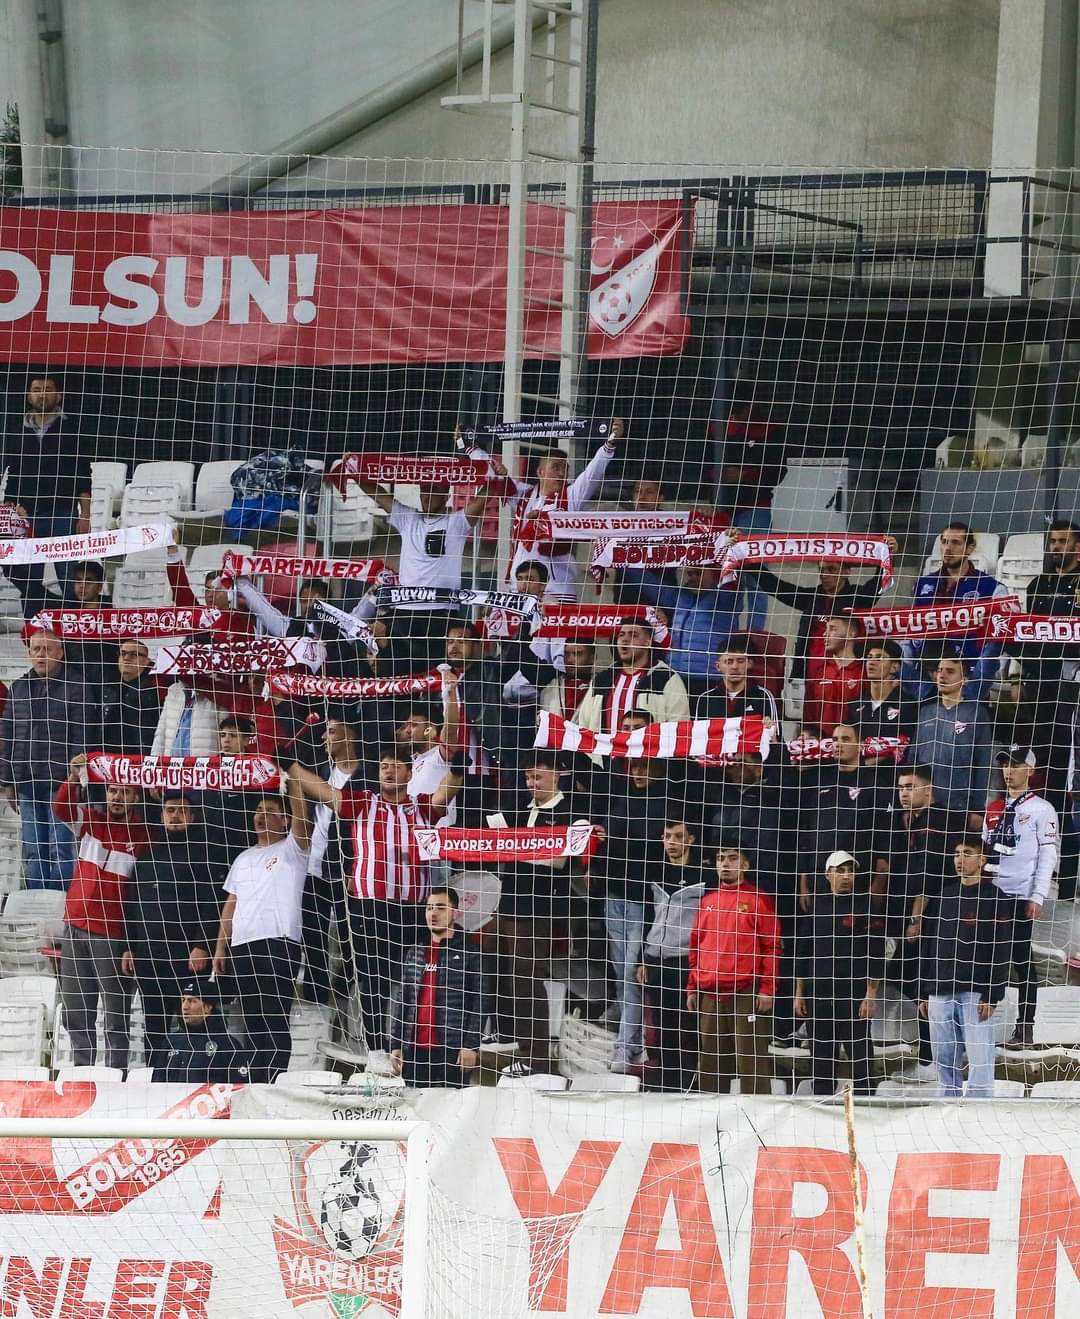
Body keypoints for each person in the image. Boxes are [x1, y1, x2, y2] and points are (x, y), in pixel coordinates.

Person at [289, 752, 465, 1074]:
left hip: (414, 909)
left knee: (416, 978)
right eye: (382, 765)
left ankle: (411, 1048)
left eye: (395, 765)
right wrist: (289, 761)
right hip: (370, 906)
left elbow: (451, 785)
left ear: (409, 773)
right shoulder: (360, 802)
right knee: (372, 978)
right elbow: (320, 789)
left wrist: (462, 758)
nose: (387, 770)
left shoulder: (421, 806)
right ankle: (377, 1051)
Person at [492, 751, 600, 1075]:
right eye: (528, 777)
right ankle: (512, 1041)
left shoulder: (572, 812)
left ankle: (536, 1058)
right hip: (509, 903)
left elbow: (556, 859)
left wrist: (517, 850)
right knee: (509, 978)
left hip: (541, 908)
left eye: (538, 777)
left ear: (557, 776)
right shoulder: (519, 810)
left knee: (527, 978)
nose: (531, 783)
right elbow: (486, 838)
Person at [53, 754, 156, 1069]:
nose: (117, 797)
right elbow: (61, 808)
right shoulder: (92, 822)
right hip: (74, 927)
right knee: (76, 1011)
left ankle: (117, 1073)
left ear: (136, 797)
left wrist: (130, 941)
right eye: (112, 790)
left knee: (115, 1014)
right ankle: (82, 1074)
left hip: (111, 935)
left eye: (125, 792)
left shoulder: (145, 836)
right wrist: (73, 776)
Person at [213, 773, 312, 1082]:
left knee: (274, 1015)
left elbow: (302, 818)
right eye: (258, 811)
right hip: (243, 945)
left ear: (284, 820)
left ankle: (276, 1079)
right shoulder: (242, 858)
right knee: (251, 1018)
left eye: (270, 811)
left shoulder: (293, 850)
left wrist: (293, 777)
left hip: (279, 943)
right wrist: (220, 947)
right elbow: (231, 905)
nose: (261, 816)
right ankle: (256, 1080)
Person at [122, 792, 229, 1066]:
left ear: (192, 817)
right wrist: (127, 948)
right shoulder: (145, 861)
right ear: (161, 816)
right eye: (170, 810)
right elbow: (131, 908)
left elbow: (212, 905)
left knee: (190, 1021)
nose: (175, 815)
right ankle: (157, 1075)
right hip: (148, 957)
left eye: (182, 810)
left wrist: (202, 945)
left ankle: (191, 1074)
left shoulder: (204, 856)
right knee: (154, 1022)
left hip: (187, 957)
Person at [470, 418, 624, 600]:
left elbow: (594, 472)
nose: (561, 473)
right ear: (540, 472)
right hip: (519, 588)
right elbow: (491, 470)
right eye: (555, 467)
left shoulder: (571, 495)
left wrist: (611, 443)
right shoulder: (524, 495)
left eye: (565, 469)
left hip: (557, 591)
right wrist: (467, 445)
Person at [358, 468, 496, 669]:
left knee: (438, 673)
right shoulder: (408, 518)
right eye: (424, 489)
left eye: (434, 489)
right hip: (405, 611)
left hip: (441, 612)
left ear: (447, 492)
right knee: (396, 671)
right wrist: (354, 469)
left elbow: (485, 496)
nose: (428, 495)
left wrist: (497, 474)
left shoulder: (455, 522)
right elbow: (375, 492)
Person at [0, 631, 97, 888]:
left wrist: (75, 779)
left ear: (60, 652)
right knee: (33, 849)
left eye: (47, 649)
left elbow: (83, 734)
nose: (41, 655)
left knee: (61, 849)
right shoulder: (19, 688)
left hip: (61, 783)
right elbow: (7, 737)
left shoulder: (78, 686)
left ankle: (60, 905)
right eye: (36, 649)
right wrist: (7, 780)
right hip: (27, 782)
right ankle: (37, 902)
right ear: (29, 652)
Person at [918, 837, 1012, 1098]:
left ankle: (979, 1107)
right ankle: (949, 1103)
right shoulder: (942, 897)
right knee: (943, 1056)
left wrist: (993, 994)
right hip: (939, 990)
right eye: (957, 853)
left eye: (967, 853)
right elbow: (928, 947)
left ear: (982, 860)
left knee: (980, 1055)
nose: (960, 859)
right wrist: (924, 991)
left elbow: (1002, 949)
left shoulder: (995, 897)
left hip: (975, 992)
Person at [687, 843, 780, 1094]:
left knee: (751, 1064)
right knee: (710, 1065)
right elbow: (695, 946)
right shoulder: (707, 901)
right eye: (720, 859)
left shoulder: (758, 899)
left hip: (746, 993)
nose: (725, 864)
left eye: (732, 858)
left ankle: (758, 1123)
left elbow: (773, 947)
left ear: (745, 865)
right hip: (710, 995)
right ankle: (710, 1123)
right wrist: (692, 988)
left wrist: (767, 989)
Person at [983, 745, 1059, 1049]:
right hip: (990, 894)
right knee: (985, 958)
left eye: (1015, 765)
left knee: (1019, 959)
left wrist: (1037, 895)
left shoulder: (1042, 808)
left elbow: (1048, 855)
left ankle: (1024, 1027)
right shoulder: (994, 807)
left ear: (1030, 770)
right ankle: (982, 1026)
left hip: (1020, 895)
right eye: (1004, 765)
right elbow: (984, 851)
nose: (1008, 771)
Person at [795, 851, 889, 1096]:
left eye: (851, 871)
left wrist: (871, 994)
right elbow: (803, 953)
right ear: (828, 875)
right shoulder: (817, 906)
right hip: (820, 993)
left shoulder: (866, 906)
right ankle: (822, 1105)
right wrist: (799, 994)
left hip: (854, 994)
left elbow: (876, 953)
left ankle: (867, 1104)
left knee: (860, 1054)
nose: (847, 876)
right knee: (821, 1055)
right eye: (841, 871)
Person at [2, 374, 92, 616]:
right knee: (27, 577)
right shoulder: (15, 428)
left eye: (48, 388)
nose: (42, 393)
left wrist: (86, 515)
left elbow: (83, 473)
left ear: (59, 395)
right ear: (29, 395)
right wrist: (10, 508)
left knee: (68, 576)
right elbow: (10, 470)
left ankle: (73, 630)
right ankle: (34, 631)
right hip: (26, 515)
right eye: (37, 389)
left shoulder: (72, 427)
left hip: (62, 513)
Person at [746, 537, 896, 681]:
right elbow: (775, 586)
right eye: (822, 569)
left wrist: (888, 553)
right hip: (809, 675)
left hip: (845, 676)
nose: (825, 575)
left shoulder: (858, 597)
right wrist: (745, 557)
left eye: (831, 569)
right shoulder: (811, 598)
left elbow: (878, 584)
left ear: (846, 571)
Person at [1008, 521, 1080, 803]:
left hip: (1069, 682)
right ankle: (1043, 805)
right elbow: (1026, 632)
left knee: (1065, 747)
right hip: (1039, 677)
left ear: (1077, 547)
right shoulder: (1038, 583)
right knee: (1042, 746)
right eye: (1053, 542)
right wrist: (1017, 677)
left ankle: (1065, 811)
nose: (1055, 547)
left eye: (1062, 541)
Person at [388, 887, 485, 1088]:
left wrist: (470, 1046)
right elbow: (403, 1000)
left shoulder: (472, 953)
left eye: (440, 907)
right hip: (414, 1050)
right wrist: (396, 1045)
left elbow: (480, 1003)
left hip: (452, 1050)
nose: (433, 913)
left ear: (456, 913)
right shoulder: (415, 952)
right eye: (430, 908)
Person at [301, 715, 366, 1007]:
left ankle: (344, 987)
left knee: (350, 933)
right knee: (311, 933)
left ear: (349, 736)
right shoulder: (320, 770)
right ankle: (316, 994)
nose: (324, 737)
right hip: (313, 866)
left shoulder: (368, 776)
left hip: (347, 869)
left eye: (331, 731)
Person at [638, 820, 708, 1091]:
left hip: (686, 960)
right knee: (662, 1025)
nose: (672, 842)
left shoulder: (703, 876)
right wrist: (643, 959)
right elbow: (648, 916)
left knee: (687, 1025)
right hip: (657, 958)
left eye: (678, 836)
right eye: (667, 836)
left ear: (690, 839)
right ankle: (666, 1084)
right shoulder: (655, 872)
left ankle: (688, 1082)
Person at [904, 523, 1008, 702]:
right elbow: (910, 630)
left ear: (970, 548)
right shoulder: (923, 584)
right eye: (944, 542)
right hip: (923, 675)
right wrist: (905, 667)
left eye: (955, 543)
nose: (948, 548)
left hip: (967, 678)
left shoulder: (991, 588)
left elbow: (1001, 636)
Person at [717, 400, 787, 630]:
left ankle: (755, 635)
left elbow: (777, 470)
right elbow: (702, 462)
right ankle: (729, 634)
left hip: (755, 507)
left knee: (756, 575)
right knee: (727, 575)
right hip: (721, 511)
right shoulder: (718, 428)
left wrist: (745, 476)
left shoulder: (769, 430)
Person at [619, 564, 739, 694]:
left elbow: (735, 578)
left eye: (698, 574)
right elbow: (646, 582)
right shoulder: (680, 597)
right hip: (675, 676)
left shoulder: (726, 600)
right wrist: (616, 558)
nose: (693, 578)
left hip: (708, 678)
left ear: (715, 574)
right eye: (689, 574)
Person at [912, 654, 993, 825]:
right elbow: (913, 760)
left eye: (950, 672)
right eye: (940, 670)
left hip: (959, 807)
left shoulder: (977, 714)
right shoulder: (925, 713)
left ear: (964, 680)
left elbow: (983, 763)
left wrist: (978, 808)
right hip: (924, 806)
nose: (942, 675)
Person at [574, 618, 690, 735]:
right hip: (604, 753)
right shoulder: (602, 679)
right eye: (621, 635)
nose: (624, 640)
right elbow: (584, 723)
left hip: (648, 752)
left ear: (648, 642)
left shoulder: (666, 679)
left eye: (633, 635)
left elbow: (679, 726)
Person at [152, 976, 253, 1084]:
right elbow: (157, 1085)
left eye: (191, 1001)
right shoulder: (172, 1041)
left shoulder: (229, 1046)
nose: (185, 1007)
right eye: (183, 1000)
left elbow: (239, 1091)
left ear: (207, 1007)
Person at [847, 638, 916, 760]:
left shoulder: (908, 704)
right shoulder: (855, 705)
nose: (871, 662)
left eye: (879, 658)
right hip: (859, 775)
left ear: (894, 667)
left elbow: (907, 747)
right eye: (869, 657)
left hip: (892, 776)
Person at [95, 639, 164, 754]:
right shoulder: (108, 687)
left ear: (147, 661)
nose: (126, 658)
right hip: (107, 759)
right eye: (123, 653)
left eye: (134, 654)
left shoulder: (153, 690)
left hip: (139, 759)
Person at [802, 616, 866, 737]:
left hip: (852, 747)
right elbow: (809, 715)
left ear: (851, 634)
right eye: (826, 629)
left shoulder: (864, 673)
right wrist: (807, 732)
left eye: (832, 629)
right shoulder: (819, 672)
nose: (825, 634)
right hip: (821, 746)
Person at [693, 635, 779, 723]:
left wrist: (770, 728)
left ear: (749, 663)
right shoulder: (705, 698)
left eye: (740, 661)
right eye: (729, 662)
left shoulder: (764, 697)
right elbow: (698, 733)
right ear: (718, 666)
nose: (735, 667)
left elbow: (776, 734)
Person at [539, 639, 597, 720]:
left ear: (592, 657)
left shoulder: (601, 687)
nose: (569, 660)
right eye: (566, 654)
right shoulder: (549, 684)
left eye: (577, 654)